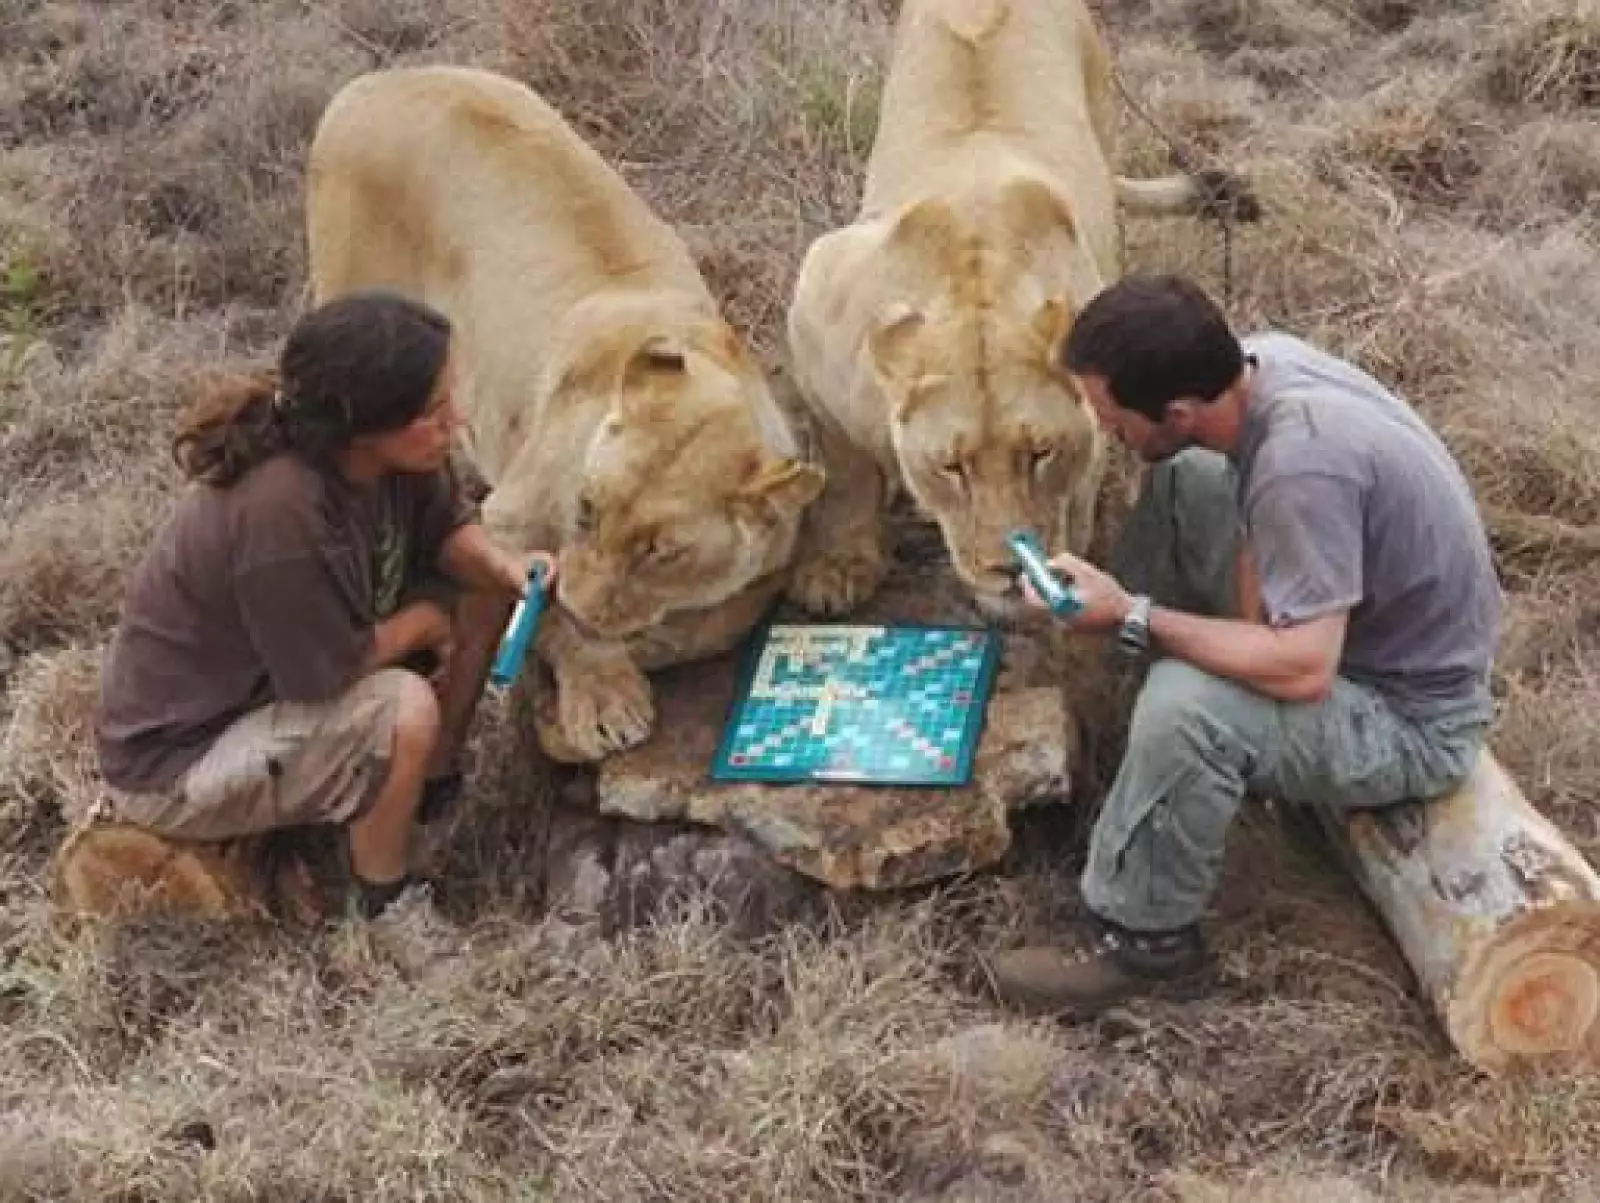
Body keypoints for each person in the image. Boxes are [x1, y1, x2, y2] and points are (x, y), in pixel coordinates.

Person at [988, 272, 1504, 1016]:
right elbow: (1250, 511)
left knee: (1188, 704)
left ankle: (1147, 943)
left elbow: (1303, 668)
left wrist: (1134, 614)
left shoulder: (1302, 466)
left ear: (1176, 407)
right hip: (1347, 639)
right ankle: (1151, 763)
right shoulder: (1257, 369)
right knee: (1188, 477)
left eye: (1112, 417)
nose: (1104, 432)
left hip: (1410, 719)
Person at [94, 288, 557, 937]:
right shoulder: (280, 514)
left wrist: (507, 569)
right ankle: (381, 904)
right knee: (398, 712)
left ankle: (432, 780)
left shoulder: (391, 455)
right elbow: (323, 676)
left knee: (481, 585)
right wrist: (423, 624)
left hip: (280, 684)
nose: (455, 421)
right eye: (433, 409)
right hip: (181, 760)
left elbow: (445, 527)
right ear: (364, 423)